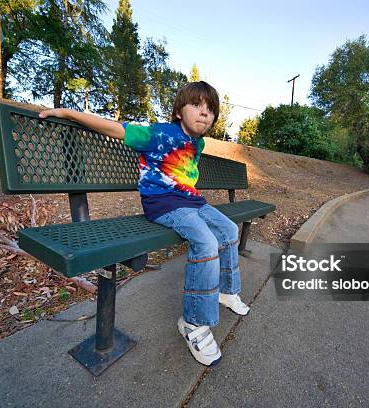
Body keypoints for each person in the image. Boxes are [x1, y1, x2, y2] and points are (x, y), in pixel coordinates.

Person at [38, 81, 250, 366]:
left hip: (191, 201)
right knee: (206, 242)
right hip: (164, 203)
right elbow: (116, 129)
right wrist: (68, 113)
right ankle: (194, 323)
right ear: (178, 111)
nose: (204, 114)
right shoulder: (158, 133)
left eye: (210, 110)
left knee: (228, 229)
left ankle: (226, 290)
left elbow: (186, 175)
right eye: (196, 106)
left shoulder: (197, 143)